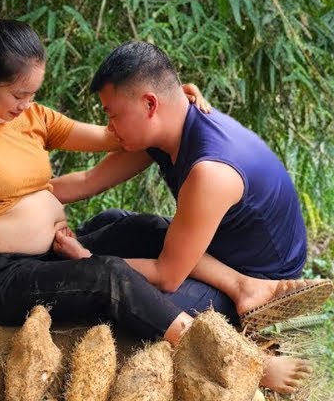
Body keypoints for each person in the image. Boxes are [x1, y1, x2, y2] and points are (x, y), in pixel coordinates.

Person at [0, 12, 308, 393]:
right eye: (19, 94)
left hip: (50, 253)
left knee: (142, 228)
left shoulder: (29, 117)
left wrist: (176, 106)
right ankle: (239, 363)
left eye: (34, 94)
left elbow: (120, 135)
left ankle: (246, 287)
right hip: (2, 279)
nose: (27, 104)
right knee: (109, 275)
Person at [49, 40, 332, 336]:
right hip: (217, 252)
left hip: (262, 272)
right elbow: (88, 181)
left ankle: (252, 298)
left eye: (113, 115)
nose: (109, 127)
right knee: (117, 224)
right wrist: (17, 192)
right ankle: (241, 287)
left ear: (149, 104)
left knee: (110, 298)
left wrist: (87, 260)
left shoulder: (210, 172)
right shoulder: (169, 127)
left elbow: (167, 275)